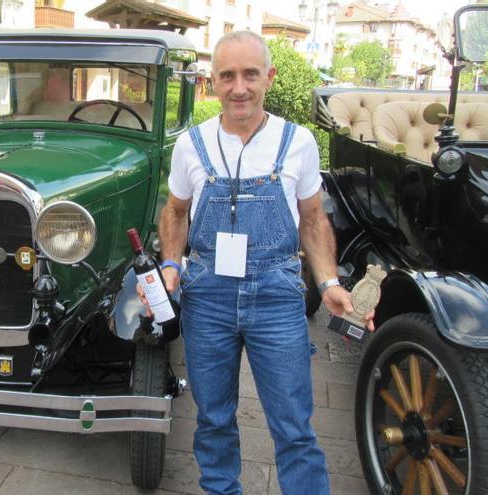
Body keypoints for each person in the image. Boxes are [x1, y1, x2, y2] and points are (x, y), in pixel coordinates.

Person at [152, 31, 374, 495]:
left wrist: (329, 281)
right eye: (227, 76)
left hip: (277, 292)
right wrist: (171, 266)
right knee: (212, 419)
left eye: (250, 74)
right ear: (212, 82)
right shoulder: (191, 144)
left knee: (294, 426)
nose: (239, 87)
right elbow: (174, 212)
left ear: (268, 78)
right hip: (207, 293)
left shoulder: (299, 143)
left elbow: (313, 220)